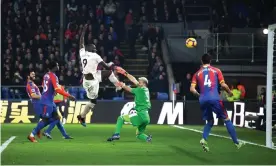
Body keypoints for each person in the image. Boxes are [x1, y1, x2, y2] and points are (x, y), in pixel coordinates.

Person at [190, 54, 245, 152]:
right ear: (210, 60)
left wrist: (199, 95)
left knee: (210, 121)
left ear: (202, 61)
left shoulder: (197, 74)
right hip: (214, 98)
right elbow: (223, 85)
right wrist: (230, 92)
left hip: (203, 100)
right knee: (226, 119)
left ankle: (204, 139)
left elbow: (192, 89)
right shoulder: (216, 70)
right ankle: (237, 142)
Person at [77, 24, 121, 127]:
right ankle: (81, 116)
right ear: (91, 49)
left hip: (89, 78)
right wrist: (111, 64)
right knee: (93, 102)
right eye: (94, 48)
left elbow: (81, 42)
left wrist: (83, 31)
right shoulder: (95, 55)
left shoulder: (82, 53)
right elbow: (106, 66)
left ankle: (118, 86)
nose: (95, 49)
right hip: (92, 82)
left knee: (109, 74)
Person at [27, 62, 75, 142]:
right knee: (46, 119)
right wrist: (69, 95)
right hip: (47, 102)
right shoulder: (53, 76)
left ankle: (64, 135)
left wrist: (52, 91)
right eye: (57, 65)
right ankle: (32, 134)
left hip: (49, 101)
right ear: (54, 67)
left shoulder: (46, 75)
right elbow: (58, 89)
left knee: (57, 118)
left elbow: (43, 85)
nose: (58, 66)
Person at [107, 67, 152, 142]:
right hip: (146, 118)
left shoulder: (140, 90)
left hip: (140, 116)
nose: (138, 83)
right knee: (139, 134)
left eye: (140, 82)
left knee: (120, 118)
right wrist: (125, 73)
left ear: (144, 84)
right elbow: (134, 80)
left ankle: (116, 134)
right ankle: (147, 138)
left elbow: (129, 89)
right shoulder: (145, 90)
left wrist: (123, 85)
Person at [26, 71, 42, 139]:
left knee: (45, 118)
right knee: (46, 118)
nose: (34, 75)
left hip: (39, 102)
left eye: (34, 74)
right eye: (32, 74)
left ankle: (37, 130)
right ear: (28, 76)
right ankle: (33, 134)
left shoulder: (32, 84)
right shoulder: (30, 84)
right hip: (36, 103)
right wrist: (43, 97)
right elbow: (33, 95)